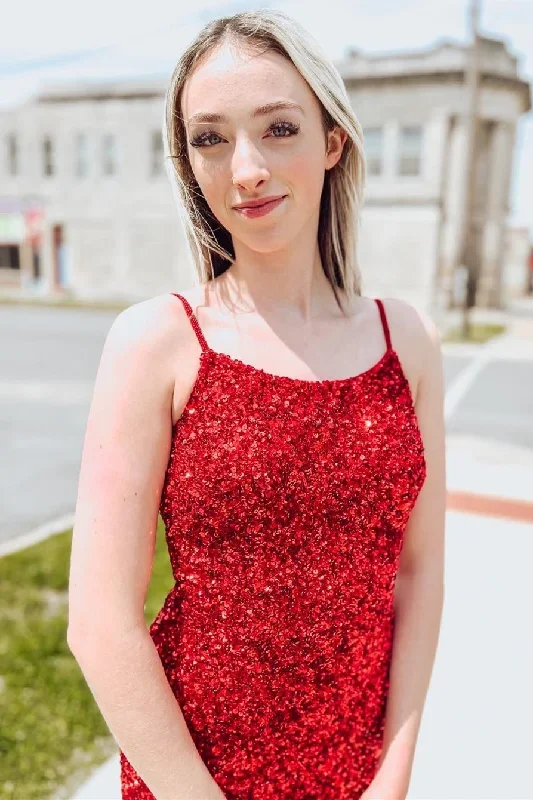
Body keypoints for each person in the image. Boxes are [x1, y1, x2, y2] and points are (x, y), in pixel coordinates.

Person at [67, 9, 446, 800]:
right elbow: (100, 624)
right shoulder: (157, 341)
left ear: (331, 141)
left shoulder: (406, 342)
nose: (245, 168)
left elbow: (417, 573)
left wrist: (395, 772)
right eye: (210, 138)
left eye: (278, 128)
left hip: (355, 772)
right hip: (192, 776)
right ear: (188, 163)